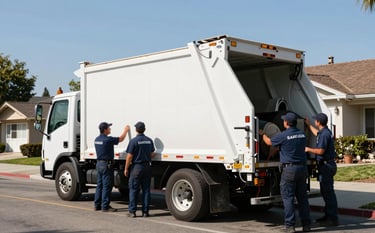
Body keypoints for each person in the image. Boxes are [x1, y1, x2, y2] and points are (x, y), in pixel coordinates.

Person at [261, 112, 311, 233]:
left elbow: (269, 142)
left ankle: (290, 226)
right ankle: (306, 225)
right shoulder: (302, 135)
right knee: (302, 199)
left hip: (289, 170)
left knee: (288, 199)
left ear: (286, 123)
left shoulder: (283, 136)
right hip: (302, 169)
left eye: (284, 120)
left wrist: (263, 134)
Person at [305, 113, 338, 227]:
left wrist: (308, 149)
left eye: (315, 121)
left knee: (328, 193)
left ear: (318, 122)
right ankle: (328, 215)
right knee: (326, 193)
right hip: (327, 166)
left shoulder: (324, 135)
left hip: (326, 167)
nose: (315, 122)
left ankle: (333, 218)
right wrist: (308, 125)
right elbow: (316, 133)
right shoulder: (324, 132)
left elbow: (321, 151)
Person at [94, 122, 130, 212]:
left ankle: (96, 205)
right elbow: (121, 139)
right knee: (106, 186)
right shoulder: (107, 140)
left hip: (99, 164)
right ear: (105, 130)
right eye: (109, 128)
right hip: (106, 165)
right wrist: (126, 130)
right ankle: (105, 206)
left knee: (99, 185)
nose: (110, 129)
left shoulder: (96, 139)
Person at [124, 121, 155, 218]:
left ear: (136, 130)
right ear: (144, 129)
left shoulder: (133, 141)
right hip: (147, 167)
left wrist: (126, 168)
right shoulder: (149, 140)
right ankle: (145, 212)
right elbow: (152, 153)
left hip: (136, 167)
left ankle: (132, 212)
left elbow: (129, 156)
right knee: (146, 190)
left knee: (133, 189)